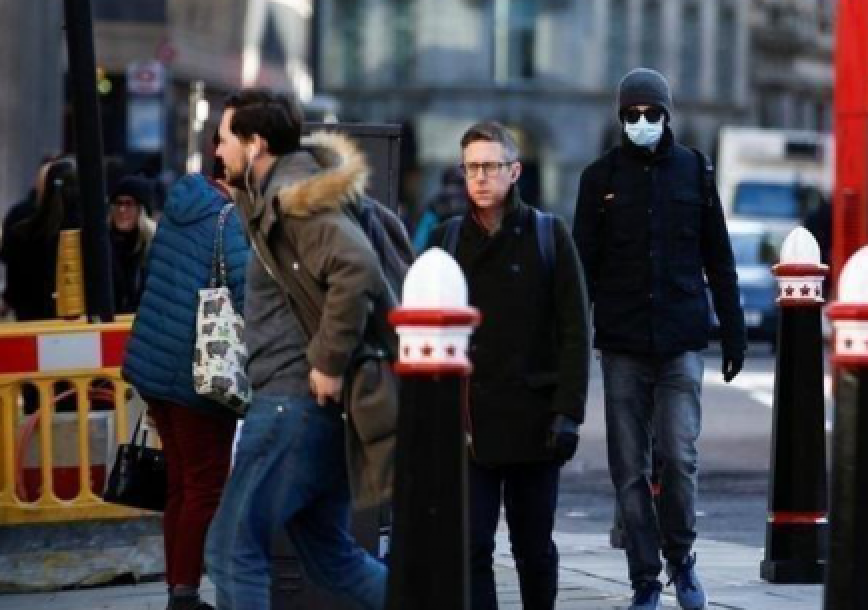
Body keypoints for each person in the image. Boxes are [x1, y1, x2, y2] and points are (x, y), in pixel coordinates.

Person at [204, 89, 388, 610]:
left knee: (231, 550)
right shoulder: (274, 192)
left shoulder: (295, 198)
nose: (217, 151)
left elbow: (358, 269)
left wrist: (328, 363)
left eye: (223, 140)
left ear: (256, 144)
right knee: (331, 556)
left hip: (291, 404)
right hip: (307, 410)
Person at [573, 68, 747, 610]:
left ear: (668, 115)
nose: (642, 123)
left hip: (680, 341)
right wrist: (574, 344)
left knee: (680, 458)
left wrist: (734, 330)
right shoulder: (598, 178)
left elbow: (718, 258)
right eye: (632, 115)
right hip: (623, 343)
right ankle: (644, 580)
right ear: (620, 117)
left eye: (651, 114)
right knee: (629, 471)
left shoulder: (694, 171)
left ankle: (682, 560)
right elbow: (582, 269)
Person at [428, 121, 590, 610]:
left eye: (491, 166)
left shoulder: (548, 235)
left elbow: (575, 331)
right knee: (473, 544)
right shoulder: (446, 240)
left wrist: (568, 414)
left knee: (533, 549)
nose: (479, 178)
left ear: (514, 171)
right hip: (469, 424)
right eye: (471, 167)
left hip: (535, 421)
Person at [121, 165, 248, 610]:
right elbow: (247, 287)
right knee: (205, 487)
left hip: (157, 366)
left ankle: (180, 587)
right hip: (199, 373)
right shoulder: (227, 219)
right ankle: (186, 596)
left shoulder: (178, 207)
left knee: (180, 483)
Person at [0, 158, 81, 321]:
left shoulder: (22, 229)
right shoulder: (90, 230)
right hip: (79, 325)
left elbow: (14, 290)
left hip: (33, 325)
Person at [108, 175, 157, 314]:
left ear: (141, 210)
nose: (122, 209)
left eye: (129, 204)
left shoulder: (153, 247)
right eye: (118, 203)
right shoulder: (105, 245)